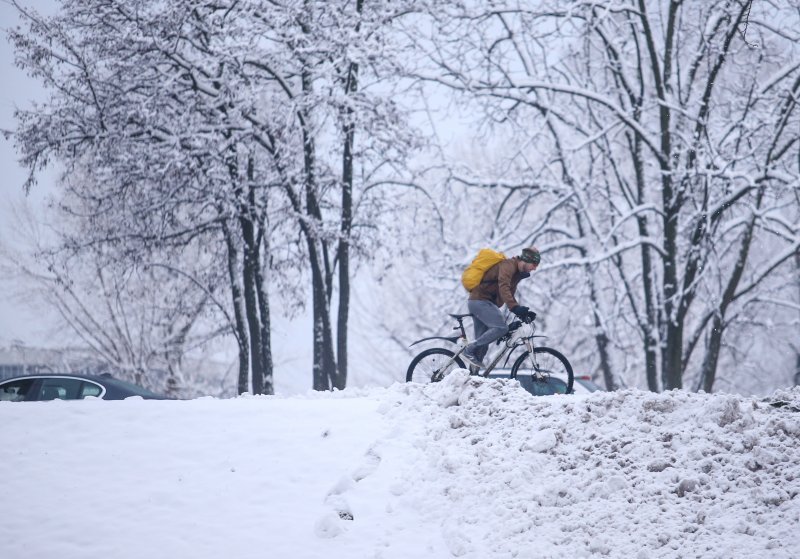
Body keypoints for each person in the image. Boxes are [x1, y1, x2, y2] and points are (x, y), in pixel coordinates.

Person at [461, 247, 540, 369]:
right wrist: (515, 308)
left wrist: (522, 312)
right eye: (534, 264)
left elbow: (508, 294)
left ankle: (473, 378)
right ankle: (468, 349)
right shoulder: (508, 266)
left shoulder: (516, 274)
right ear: (525, 260)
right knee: (500, 328)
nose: (535, 268)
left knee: (482, 346)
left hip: (483, 303)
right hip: (480, 301)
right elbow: (504, 287)